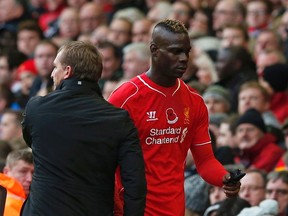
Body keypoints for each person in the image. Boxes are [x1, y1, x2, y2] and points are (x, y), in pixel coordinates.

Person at [108, 19, 241, 216]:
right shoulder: (125, 98)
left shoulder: (194, 101)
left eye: (186, 51)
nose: (183, 58)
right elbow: (102, 158)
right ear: (154, 50)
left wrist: (224, 178)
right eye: (175, 51)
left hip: (174, 208)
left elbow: (204, 160)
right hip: (132, 208)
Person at [21, 41, 147, 216]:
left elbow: (31, 140)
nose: (51, 73)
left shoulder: (36, 108)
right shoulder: (119, 119)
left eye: (55, 66)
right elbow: (135, 181)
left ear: (67, 71)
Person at [0, 148, 34, 216]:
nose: (30, 179)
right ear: (6, 171)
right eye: (23, 171)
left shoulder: (32, 198)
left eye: (33, 173)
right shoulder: (6, 201)